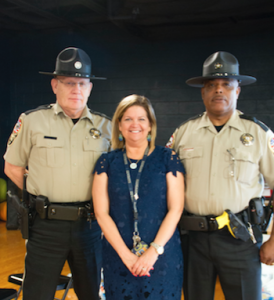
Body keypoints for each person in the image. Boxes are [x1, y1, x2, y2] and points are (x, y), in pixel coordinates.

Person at [4, 47, 112, 300]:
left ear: (90, 88)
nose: (76, 90)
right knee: (37, 294)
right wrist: (39, 197)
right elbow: (12, 167)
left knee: (91, 294)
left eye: (82, 83)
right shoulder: (32, 121)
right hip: (46, 226)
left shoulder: (106, 126)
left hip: (90, 227)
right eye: (69, 83)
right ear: (55, 85)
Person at [166, 51, 274, 300]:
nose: (219, 90)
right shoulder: (183, 133)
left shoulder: (258, 133)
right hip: (192, 240)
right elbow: (165, 185)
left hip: (240, 238)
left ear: (237, 91)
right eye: (212, 85)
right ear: (202, 92)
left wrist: (273, 240)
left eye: (226, 84)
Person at [92, 94, 185, 300]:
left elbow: (176, 209)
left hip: (162, 257)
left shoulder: (167, 158)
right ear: (119, 125)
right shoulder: (106, 162)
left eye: (142, 119)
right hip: (118, 257)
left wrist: (154, 251)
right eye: (128, 119)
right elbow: (101, 213)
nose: (135, 124)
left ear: (151, 125)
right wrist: (126, 255)